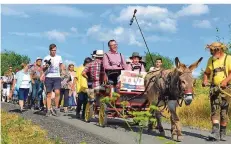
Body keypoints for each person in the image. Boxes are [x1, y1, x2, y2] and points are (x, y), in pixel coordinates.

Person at [202, 42, 231, 141]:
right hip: (214, 88)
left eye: (212, 51)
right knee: (215, 109)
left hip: (227, 88)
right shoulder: (211, 60)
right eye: (210, 51)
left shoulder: (228, 58)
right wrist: (205, 80)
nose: (211, 53)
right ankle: (215, 133)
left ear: (219, 50)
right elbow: (206, 72)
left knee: (224, 111)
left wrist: (225, 81)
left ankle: (222, 133)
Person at [43, 43, 64, 117]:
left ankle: (56, 108)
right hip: (49, 77)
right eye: (52, 50)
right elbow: (43, 69)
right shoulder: (46, 58)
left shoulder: (59, 57)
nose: (53, 52)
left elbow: (61, 65)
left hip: (57, 77)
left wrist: (62, 71)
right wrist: (46, 66)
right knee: (49, 94)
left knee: (57, 92)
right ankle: (48, 110)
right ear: (49, 50)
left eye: (55, 50)